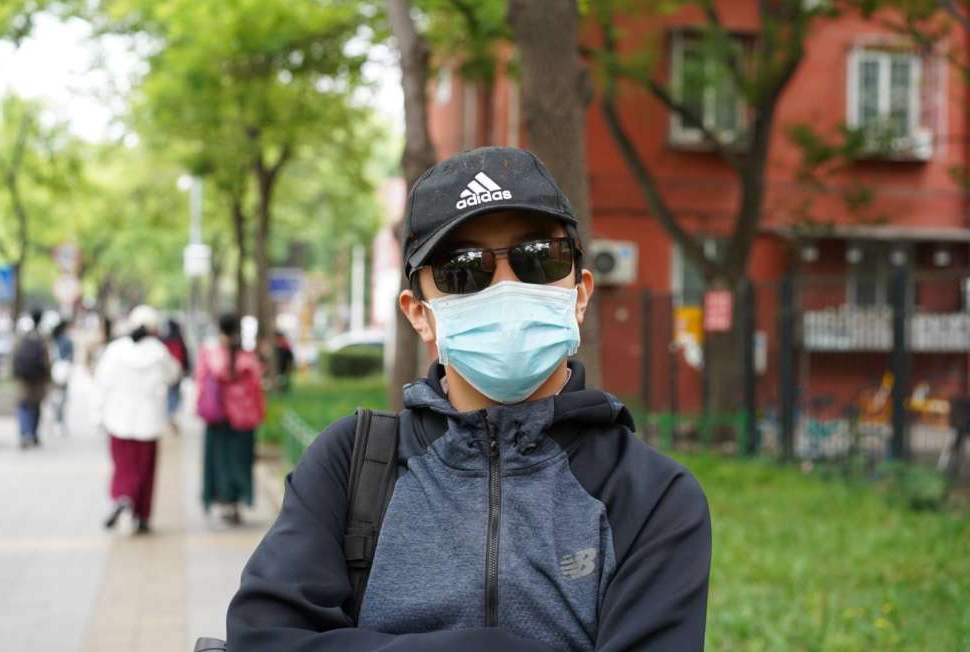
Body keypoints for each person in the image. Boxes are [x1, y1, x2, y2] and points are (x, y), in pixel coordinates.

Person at [226, 147, 712, 651]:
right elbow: (263, 639)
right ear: (419, 314)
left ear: (580, 294)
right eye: (463, 269)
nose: (506, 287)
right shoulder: (350, 464)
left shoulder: (652, 495)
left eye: (538, 257)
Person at [96, 305, 181, 534]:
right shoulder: (158, 351)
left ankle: (122, 496)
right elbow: (173, 374)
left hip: (118, 419)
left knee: (122, 465)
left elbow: (102, 381)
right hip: (148, 420)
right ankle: (142, 515)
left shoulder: (115, 349)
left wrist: (98, 413)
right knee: (145, 470)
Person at [196, 313, 265, 526]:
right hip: (243, 420)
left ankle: (223, 502)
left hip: (217, 419)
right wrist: (258, 414)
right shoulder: (249, 358)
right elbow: (257, 389)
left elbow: (201, 384)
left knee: (218, 462)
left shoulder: (211, 355)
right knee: (240, 461)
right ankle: (237, 501)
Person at [12, 307, 51, 449]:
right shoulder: (43, 337)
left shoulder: (22, 336)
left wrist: (15, 373)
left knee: (23, 405)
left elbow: (14, 355)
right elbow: (48, 359)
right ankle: (33, 434)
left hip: (23, 377)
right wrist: (48, 378)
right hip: (39, 378)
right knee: (35, 405)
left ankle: (24, 433)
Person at [161, 318, 191, 432]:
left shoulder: (164, 340)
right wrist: (186, 369)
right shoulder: (180, 339)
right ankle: (172, 414)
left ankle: (170, 414)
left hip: (167, 372)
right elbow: (185, 356)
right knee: (175, 393)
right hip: (178, 371)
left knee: (169, 393)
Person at [49, 319, 75, 435]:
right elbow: (71, 357)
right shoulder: (67, 340)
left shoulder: (54, 339)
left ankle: (57, 421)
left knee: (56, 397)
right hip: (63, 371)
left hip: (54, 371)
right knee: (62, 398)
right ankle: (60, 422)